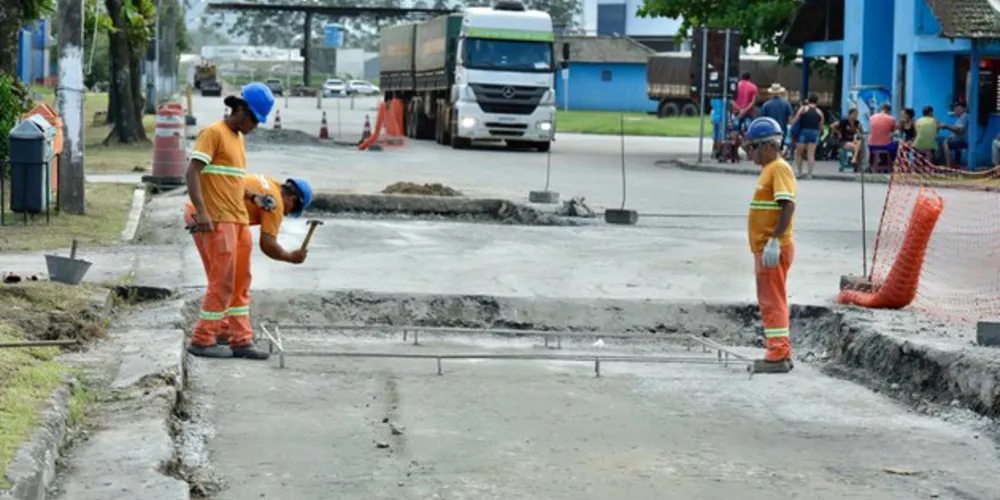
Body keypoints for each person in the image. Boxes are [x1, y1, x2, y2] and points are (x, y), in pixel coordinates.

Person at [185, 82, 276, 360]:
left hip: (238, 220)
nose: (255, 126)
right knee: (222, 282)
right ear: (240, 110)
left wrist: (253, 197)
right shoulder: (213, 133)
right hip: (219, 220)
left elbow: (232, 181)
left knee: (241, 283)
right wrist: (202, 213)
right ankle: (202, 339)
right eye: (254, 120)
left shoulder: (238, 139)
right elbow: (192, 172)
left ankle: (240, 340)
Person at [184, 174, 315, 348]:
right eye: (291, 210)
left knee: (229, 278)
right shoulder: (275, 202)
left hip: (204, 211)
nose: (287, 213)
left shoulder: (270, 184)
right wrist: (290, 257)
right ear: (292, 199)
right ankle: (204, 336)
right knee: (223, 279)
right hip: (210, 216)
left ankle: (224, 329)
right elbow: (268, 245)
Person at [742, 116, 796, 374]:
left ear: (767, 146)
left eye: (752, 147)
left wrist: (774, 239)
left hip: (771, 248)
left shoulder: (778, 168)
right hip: (766, 248)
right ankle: (781, 352)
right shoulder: (769, 169)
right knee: (772, 299)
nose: (749, 153)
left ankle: (777, 354)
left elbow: (788, 205)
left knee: (771, 301)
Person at [789, 94, 823, 179]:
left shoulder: (803, 108)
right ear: (816, 101)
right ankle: (809, 174)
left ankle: (800, 172)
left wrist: (791, 125)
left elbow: (796, 118)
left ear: (808, 100)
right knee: (811, 154)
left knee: (798, 153)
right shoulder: (819, 112)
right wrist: (818, 133)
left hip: (804, 132)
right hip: (814, 133)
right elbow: (821, 126)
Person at [938, 104, 969, 168]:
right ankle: (956, 163)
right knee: (949, 140)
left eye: (956, 110)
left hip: (963, 140)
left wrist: (947, 126)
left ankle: (949, 166)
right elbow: (957, 131)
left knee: (945, 142)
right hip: (960, 138)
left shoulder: (964, 116)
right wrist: (951, 136)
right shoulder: (961, 117)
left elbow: (960, 131)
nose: (955, 112)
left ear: (961, 109)